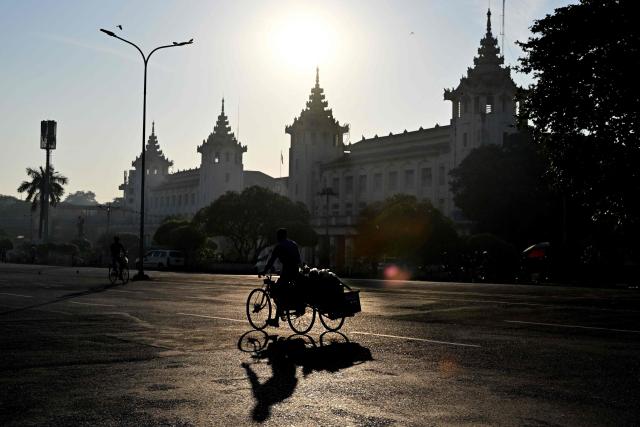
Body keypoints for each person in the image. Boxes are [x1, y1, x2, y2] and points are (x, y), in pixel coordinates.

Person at [261, 228, 301, 327]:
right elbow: (298, 260)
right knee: (285, 291)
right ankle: (284, 309)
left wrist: (264, 271)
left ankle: (276, 320)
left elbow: (271, 260)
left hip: (287, 272)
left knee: (278, 293)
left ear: (279, 236)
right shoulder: (293, 244)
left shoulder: (279, 246)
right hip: (295, 271)